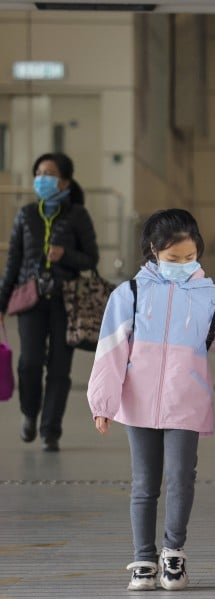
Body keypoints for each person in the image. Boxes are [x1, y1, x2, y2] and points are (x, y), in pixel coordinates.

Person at [87, 209, 215, 591]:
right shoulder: (129, 293)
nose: (182, 265)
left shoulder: (207, 297)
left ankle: (172, 556)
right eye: (173, 258)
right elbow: (111, 350)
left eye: (190, 257)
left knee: (181, 479)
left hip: (185, 401)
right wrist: (103, 403)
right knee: (144, 484)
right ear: (153, 251)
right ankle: (143, 560)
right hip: (139, 404)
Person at [0, 152, 98, 452]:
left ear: (64, 181)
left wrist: (64, 255)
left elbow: (91, 258)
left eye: (49, 173)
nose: (42, 178)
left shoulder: (78, 215)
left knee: (58, 369)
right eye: (39, 173)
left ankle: (50, 431)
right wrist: (1, 304)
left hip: (66, 302)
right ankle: (30, 413)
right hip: (30, 300)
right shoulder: (26, 214)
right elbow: (13, 261)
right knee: (29, 363)